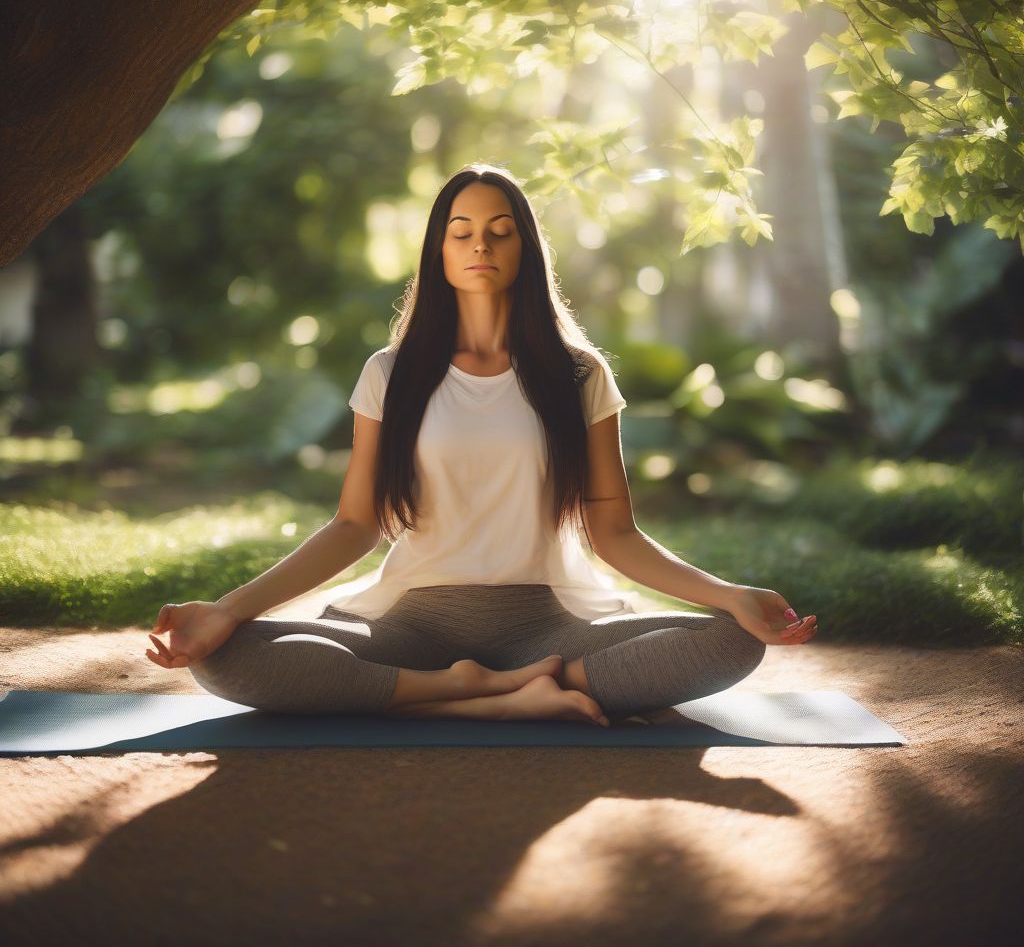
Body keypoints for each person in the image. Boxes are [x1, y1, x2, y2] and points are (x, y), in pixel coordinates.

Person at [145, 163, 818, 727]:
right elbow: (354, 525)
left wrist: (728, 593)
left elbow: (614, 534)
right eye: (461, 232)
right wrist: (227, 612)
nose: (481, 246)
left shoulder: (581, 374)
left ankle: (458, 692)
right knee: (224, 655)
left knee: (734, 640)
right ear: (438, 250)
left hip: (551, 622)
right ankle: (486, 696)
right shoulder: (391, 373)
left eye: (500, 232)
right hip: (414, 619)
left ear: (525, 249)